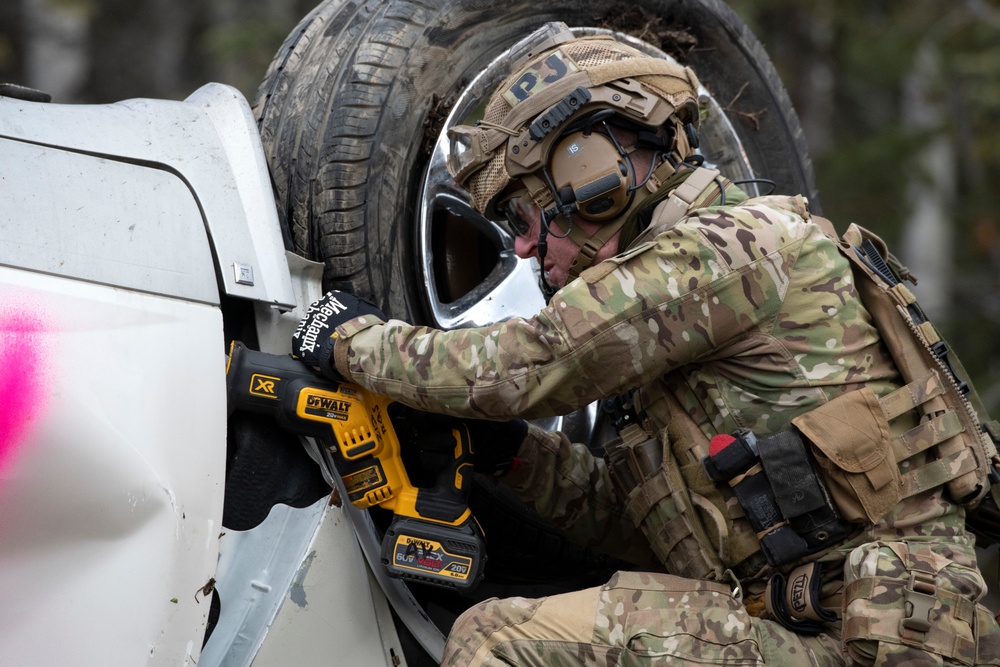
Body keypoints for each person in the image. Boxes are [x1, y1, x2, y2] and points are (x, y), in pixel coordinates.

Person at [292, 24, 1000, 666]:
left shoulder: (732, 248)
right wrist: (509, 451)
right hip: (804, 633)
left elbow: (532, 362)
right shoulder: (679, 333)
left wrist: (349, 338)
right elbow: (636, 522)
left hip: (871, 645)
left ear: (591, 173)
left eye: (525, 215)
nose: (526, 249)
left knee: (497, 642)